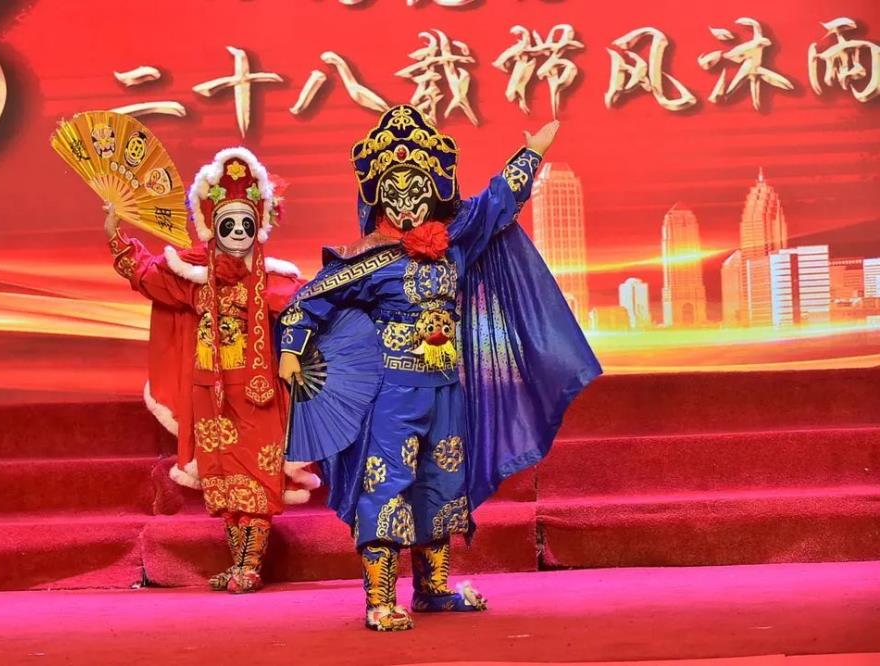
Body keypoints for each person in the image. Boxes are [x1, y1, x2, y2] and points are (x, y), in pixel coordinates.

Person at [278, 105, 601, 630]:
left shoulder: (455, 243)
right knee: (388, 482)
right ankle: (380, 600)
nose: (406, 202)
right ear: (378, 197)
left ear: (434, 190)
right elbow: (306, 303)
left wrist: (532, 151)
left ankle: (432, 589)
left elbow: (497, 202)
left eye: (416, 190)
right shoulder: (369, 259)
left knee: (441, 480)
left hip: (445, 388)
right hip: (391, 393)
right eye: (393, 191)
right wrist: (292, 351)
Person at [105, 147, 318, 593]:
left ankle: (250, 566)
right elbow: (147, 276)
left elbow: (312, 308)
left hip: (258, 395)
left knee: (257, 477)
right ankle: (238, 561)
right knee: (221, 478)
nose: (238, 231)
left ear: (258, 226)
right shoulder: (194, 278)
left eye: (246, 224)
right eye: (229, 224)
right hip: (210, 393)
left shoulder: (273, 279)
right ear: (212, 227)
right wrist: (115, 236)